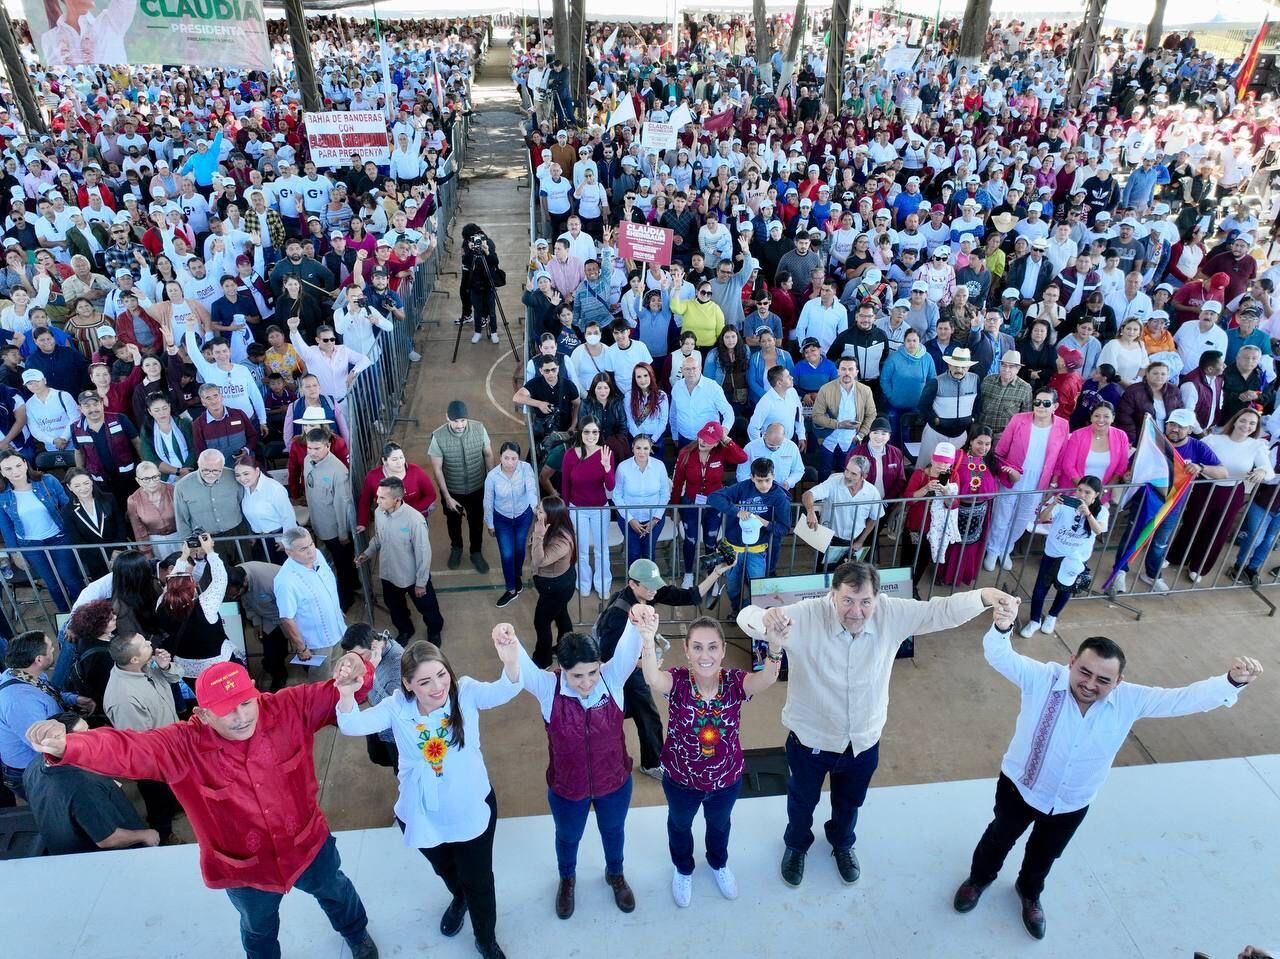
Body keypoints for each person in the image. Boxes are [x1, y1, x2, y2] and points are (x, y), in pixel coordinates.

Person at [26, 654, 380, 959]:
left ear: (256, 691)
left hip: (308, 845)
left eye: (246, 702)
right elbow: (127, 749)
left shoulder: (290, 707)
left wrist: (356, 668)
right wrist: (67, 746)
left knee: (336, 890)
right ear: (203, 714)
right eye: (227, 711)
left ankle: (356, 934)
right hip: (245, 870)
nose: (241, 717)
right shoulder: (181, 746)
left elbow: (347, 690)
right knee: (258, 929)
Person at [955, 601, 1262, 940]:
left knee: (1045, 853)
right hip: (1020, 788)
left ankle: (1029, 893)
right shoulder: (1043, 678)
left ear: (1118, 682)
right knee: (999, 837)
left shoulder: (1130, 699)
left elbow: (1182, 700)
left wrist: (1230, 682)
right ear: (1071, 662)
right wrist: (1001, 628)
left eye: (1103, 679)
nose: (1090, 684)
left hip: (1072, 802)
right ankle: (979, 880)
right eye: (1084, 672)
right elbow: (1000, 656)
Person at [737, 562, 1014, 887]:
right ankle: (797, 845)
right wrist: (765, 618)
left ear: (877, 598)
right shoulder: (806, 615)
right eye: (847, 601)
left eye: (865, 602)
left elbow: (940, 611)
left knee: (850, 803)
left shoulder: (892, 613)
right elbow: (749, 620)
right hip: (810, 740)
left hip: (863, 742)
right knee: (801, 801)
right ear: (832, 595)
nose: (856, 612)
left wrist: (984, 595)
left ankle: (841, 843)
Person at [336, 637, 519, 959]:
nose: (437, 687)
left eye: (441, 675)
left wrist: (510, 660)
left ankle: (485, 938)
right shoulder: (396, 707)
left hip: (469, 807)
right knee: (445, 868)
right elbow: (352, 725)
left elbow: (506, 689)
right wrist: (347, 693)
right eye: (424, 681)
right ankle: (458, 897)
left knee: (478, 879)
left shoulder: (465, 693)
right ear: (407, 683)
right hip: (420, 811)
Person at [505, 608, 648, 919]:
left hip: (614, 782)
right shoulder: (547, 688)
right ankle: (567, 880)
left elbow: (630, 641)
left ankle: (616, 874)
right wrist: (508, 641)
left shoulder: (612, 679)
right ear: (562, 670)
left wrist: (638, 617)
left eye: (592, 673)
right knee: (568, 837)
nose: (586, 682)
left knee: (614, 831)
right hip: (567, 787)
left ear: (601, 667)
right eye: (577, 676)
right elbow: (522, 667)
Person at [637, 610, 781, 905]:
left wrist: (776, 647)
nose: (706, 655)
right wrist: (647, 642)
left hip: (726, 780)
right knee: (679, 825)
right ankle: (683, 869)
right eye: (698, 647)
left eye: (713, 647)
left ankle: (718, 863)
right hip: (681, 780)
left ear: (723, 650)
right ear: (687, 651)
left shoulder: (735, 682)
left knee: (719, 825)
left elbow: (766, 679)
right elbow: (652, 677)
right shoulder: (677, 682)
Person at [1110, 409, 1229, 594]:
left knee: (1160, 543)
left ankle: (1153, 575)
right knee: (1131, 537)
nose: (1174, 429)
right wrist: (1128, 476)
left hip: (1173, 506)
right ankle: (1119, 572)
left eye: (1181, 426)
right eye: (1172, 424)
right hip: (1145, 502)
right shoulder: (1152, 443)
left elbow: (1223, 473)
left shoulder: (1198, 447)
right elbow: (1132, 468)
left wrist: (1201, 467)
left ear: (1189, 429)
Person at [23, 711, 159, 855]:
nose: (94, 735)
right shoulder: (82, 786)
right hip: (105, 854)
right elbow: (108, 839)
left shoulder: (34, 766)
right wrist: (145, 835)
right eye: (85, 734)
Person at [1168, 407, 1274, 582]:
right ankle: (1175, 556)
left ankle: (1198, 567)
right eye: (1243, 421)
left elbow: (1269, 473)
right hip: (1205, 487)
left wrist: (1262, 472)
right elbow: (1195, 457)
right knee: (1192, 522)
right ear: (1235, 421)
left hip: (1232, 492)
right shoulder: (1214, 439)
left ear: (1256, 427)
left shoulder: (1257, 446)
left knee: (1217, 530)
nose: (1246, 425)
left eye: (1252, 423)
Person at [101, 631, 183, 840]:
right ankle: (163, 834)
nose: (150, 643)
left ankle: (174, 807)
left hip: (172, 745)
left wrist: (166, 666)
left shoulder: (145, 665)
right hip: (155, 760)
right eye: (145, 644)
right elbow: (141, 743)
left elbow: (176, 677)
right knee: (158, 799)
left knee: (171, 792)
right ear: (134, 659)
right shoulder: (124, 698)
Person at [0, 630, 94, 798]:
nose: (54, 650)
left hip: (46, 757)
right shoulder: (19, 702)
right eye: (50, 648)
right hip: (35, 769)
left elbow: (47, 693)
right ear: (39, 659)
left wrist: (74, 699)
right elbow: (43, 744)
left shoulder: (25, 673)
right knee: (63, 810)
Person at [984, 390, 1070, 571]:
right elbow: (1000, 450)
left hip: (1039, 481)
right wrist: (1006, 472)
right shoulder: (1018, 419)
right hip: (1012, 478)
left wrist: (1053, 482)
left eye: (1046, 403)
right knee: (1002, 516)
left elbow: (1061, 457)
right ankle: (992, 550)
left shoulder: (1062, 425)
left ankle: (1006, 549)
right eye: (1037, 402)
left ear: (1055, 407)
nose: (1040, 406)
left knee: (1022, 519)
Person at [357, 477, 444, 646]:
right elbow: (378, 537)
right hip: (389, 574)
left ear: (397, 500)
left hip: (412, 577)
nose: (377, 500)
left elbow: (423, 552)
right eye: (377, 496)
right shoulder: (379, 512)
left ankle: (434, 630)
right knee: (395, 607)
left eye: (382, 498)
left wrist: (421, 582)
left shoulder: (414, 520)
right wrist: (367, 553)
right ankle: (405, 629)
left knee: (428, 607)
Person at [1020, 476, 1110, 637]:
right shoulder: (1064, 503)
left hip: (1076, 558)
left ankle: (1052, 616)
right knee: (1041, 588)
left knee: (1066, 589)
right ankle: (1034, 620)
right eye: (1079, 490)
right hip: (1054, 553)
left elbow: (1099, 530)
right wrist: (1054, 503)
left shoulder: (1101, 511)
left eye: (1087, 492)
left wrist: (1088, 514)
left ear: (1096, 495)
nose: (1081, 495)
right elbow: (1043, 519)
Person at [0, 451, 85, 611]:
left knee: (71, 579)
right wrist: (15, 553)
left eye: (18, 465)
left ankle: (84, 614)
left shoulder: (48, 481)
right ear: (2, 472)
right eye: (8, 469)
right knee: (52, 584)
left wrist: (77, 535)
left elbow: (68, 507)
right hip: (31, 546)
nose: (15, 471)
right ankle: (66, 617)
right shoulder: (2, 497)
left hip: (59, 537)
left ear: (25, 463)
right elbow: (6, 528)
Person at [707, 457, 792, 616]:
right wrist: (736, 511)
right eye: (759, 480)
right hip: (733, 549)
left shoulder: (779, 497)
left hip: (758, 551)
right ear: (752, 477)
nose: (764, 485)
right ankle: (737, 609)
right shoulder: (742, 487)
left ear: (773, 476)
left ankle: (755, 614)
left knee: (758, 586)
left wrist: (765, 523)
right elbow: (713, 497)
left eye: (767, 480)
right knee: (732, 585)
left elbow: (785, 528)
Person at [671, 421, 748, 587]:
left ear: (717, 442)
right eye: (702, 436)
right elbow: (677, 482)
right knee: (690, 539)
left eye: (709, 439)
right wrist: (676, 508)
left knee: (710, 540)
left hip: (714, 504)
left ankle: (711, 576)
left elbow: (742, 458)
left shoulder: (722, 451)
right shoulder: (686, 452)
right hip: (691, 502)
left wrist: (726, 439)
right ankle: (688, 574)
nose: (703, 441)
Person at [428, 400, 494, 573]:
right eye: (455, 421)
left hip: (477, 487)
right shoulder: (438, 436)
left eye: (463, 420)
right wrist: (447, 497)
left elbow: (488, 455)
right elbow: (437, 469)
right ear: (447, 418)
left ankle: (476, 552)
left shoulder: (479, 429)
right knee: (453, 522)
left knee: (476, 522)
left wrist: (491, 483)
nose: (460, 425)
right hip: (453, 490)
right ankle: (456, 548)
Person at [275, 526, 347, 673]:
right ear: (289, 552)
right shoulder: (285, 581)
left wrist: (336, 609)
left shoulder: (317, 555)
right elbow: (287, 618)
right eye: (302, 549)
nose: (310, 551)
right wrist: (302, 648)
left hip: (339, 629)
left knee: (340, 673)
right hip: (317, 643)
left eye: (311, 544)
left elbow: (327, 587)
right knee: (322, 683)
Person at [300, 429, 357, 610]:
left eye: (317, 448)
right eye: (309, 448)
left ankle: (347, 598)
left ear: (328, 446)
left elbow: (342, 505)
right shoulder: (307, 461)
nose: (312, 452)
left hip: (334, 529)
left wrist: (342, 533)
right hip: (318, 524)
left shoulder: (338, 471)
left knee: (343, 565)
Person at [560, 417, 616, 598]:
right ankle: (583, 583)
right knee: (581, 550)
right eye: (587, 432)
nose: (591, 436)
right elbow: (565, 486)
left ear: (599, 434)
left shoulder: (606, 453)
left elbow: (611, 487)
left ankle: (603, 585)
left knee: (602, 549)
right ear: (580, 433)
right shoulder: (570, 455)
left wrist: (607, 468)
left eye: (595, 432)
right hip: (577, 509)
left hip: (600, 508)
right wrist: (567, 511)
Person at [801, 455, 885, 571]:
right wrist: (810, 511)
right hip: (829, 540)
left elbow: (875, 518)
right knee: (822, 576)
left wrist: (861, 541)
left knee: (849, 578)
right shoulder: (834, 482)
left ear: (864, 476)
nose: (847, 475)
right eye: (847, 470)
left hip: (853, 542)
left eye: (853, 474)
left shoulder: (872, 492)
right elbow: (808, 494)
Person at [337, 625, 404, 768]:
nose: (356, 661)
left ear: (374, 645)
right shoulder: (374, 641)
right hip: (374, 712)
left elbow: (392, 707)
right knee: (376, 756)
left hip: (391, 730)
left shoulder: (397, 667)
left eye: (360, 655)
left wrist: (371, 670)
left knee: (397, 764)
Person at [483, 440, 539, 608]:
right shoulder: (492, 476)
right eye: (506, 458)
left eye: (514, 458)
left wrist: (536, 509)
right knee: (507, 553)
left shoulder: (526, 469)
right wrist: (490, 523)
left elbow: (531, 490)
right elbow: (488, 501)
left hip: (523, 516)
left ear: (519, 458)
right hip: (502, 519)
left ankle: (517, 576)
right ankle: (511, 589)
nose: (510, 463)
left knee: (520, 549)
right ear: (500, 457)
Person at [528, 495, 577, 668]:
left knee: (541, 621)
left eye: (540, 511)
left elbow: (538, 561)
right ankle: (568, 648)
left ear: (551, 515)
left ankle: (543, 659)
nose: (536, 512)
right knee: (561, 614)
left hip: (555, 587)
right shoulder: (552, 527)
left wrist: (538, 536)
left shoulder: (562, 540)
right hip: (557, 585)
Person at [225, 562, 287, 693]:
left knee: (298, 646)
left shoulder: (271, 581)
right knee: (271, 651)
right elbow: (247, 603)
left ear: (245, 582)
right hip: (267, 617)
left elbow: (290, 605)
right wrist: (257, 622)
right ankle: (277, 674)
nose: (235, 597)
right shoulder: (236, 576)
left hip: (288, 615)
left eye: (236, 595)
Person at [916, 347, 983, 468]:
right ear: (949, 365)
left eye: (963, 367)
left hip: (960, 436)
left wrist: (973, 418)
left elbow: (978, 403)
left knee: (954, 470)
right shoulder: (936, 382)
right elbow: (922, 406)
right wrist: (935, 420)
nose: (959, 369)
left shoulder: (975, 380)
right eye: (956, 366)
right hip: (935, 435)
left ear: (968, 367)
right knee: (925, 468)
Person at [612, 434, 673, 567]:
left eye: (645, 448)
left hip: (654, 519)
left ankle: (648, 586)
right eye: (638, 448)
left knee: (649, 553)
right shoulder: (623, 467)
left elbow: (664, 494)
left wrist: (655, 519)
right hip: (629, 519)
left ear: (651, 449)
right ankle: (632, 585)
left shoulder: (659, 466)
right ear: (632, 448)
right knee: (633, 552)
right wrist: (630, 519)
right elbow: (617, 495)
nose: (642, 452)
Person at [60, 466, 128, 581]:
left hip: (120, 555)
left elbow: (121, 526)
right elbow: (77, 540)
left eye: (86, 483)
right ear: (69, 487)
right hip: (95, 561)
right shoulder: (68, 511)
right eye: (77, 486)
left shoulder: (109, 499)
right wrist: (108, 554)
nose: (83, 488)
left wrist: (116, 551)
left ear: (91, 482)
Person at [812, 356, 877, 474]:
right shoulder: (825, 389)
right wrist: (838, 424)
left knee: (847, 475)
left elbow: (871, 415)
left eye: (851, 369)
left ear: (856, 372)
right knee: (824, 474)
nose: (847, 373)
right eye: (843, 369)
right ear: (838, 371)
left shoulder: (865, 390)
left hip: (851, 441)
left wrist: (860, 435)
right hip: (828, 439)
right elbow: (816, 416)